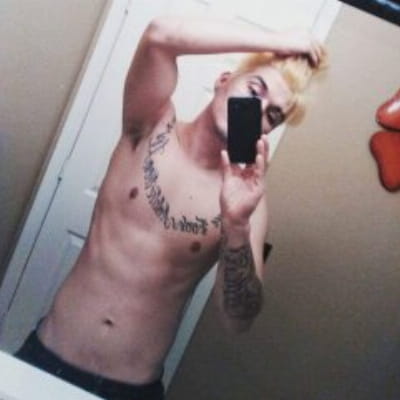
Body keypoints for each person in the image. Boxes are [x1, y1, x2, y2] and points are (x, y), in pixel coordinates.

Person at [15, 16, 324, 400]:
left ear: (268, 132)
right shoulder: (149, 124)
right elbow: (160, 35)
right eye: (254, 89)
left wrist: (236, 225)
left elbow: (238, 319)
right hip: (48, 357)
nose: (257, 110)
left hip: (131, 389)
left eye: (272, 115)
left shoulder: (248, 205)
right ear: (224, 80)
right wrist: (276, 40)